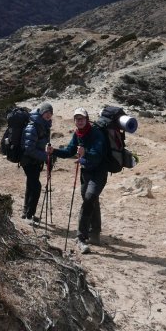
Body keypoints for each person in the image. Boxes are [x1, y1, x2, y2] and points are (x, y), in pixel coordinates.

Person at [53, 107, 107, 254]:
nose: (79, 121)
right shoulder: (78, 134)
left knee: (89, 198)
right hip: (86, 172)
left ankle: (81, 237)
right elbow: (69, 151)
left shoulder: (96, 133)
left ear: (87, 119)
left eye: (82, 118)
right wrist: (54, 151)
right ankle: (95, 233)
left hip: (99, 173)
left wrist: (85, 154)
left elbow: (97, 155)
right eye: (77, 119)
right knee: (91, 200)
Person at [20, 102, 53, 223]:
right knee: (36, 187)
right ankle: (29, 216)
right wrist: (46, 157)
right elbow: (29, 149)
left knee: (31, 184)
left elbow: (42, 144)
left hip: (36, 161)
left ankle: (25, 212)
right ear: (41, 113)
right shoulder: (33, 126)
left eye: (50, 113)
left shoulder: (44, 125)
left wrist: (48, 153)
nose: (48, 115)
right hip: (28, 161)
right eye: (46, 112)